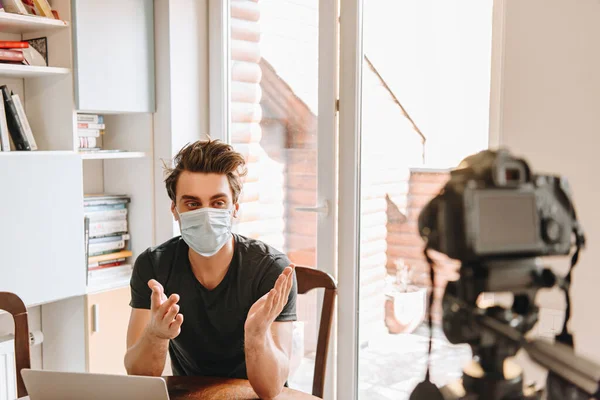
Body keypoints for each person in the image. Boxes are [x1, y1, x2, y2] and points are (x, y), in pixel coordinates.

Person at [124, 139, 297, 399]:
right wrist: (156, 335)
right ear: (175, 210)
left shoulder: (270, 270)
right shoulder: (154, 266)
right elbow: (139, 378)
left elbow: (270, 389)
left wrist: (256, 334)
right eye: (192, 204)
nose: (206, 215)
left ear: (234, 209)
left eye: (217, 203)